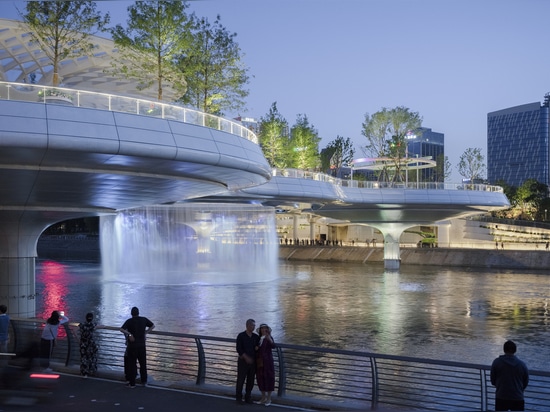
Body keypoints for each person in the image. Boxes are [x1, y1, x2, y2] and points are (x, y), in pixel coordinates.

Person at [120, 307, 155, 388]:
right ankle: (144, 381)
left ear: (131, 313)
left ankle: (132, 383)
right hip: (142, 345)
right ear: (138, 313)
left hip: (132, 346)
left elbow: (121, 329)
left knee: (132, 364)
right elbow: (153, 326)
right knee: (143, 364)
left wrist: (129, 334)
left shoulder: (129, 321)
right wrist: (145, 333)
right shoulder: (144, 319)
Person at [490, 340, 529, 411]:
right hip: (517, 397)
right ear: (515, 350)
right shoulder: (522, 365)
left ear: (504, 349)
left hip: (501, 395)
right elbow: (525, 382)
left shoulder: (497, 362)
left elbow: (493, 380)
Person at [235, 318, 260, 404]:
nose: (253, 327)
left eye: (254, 326)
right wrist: (246, 357)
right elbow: (239, 349)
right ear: (247, 325)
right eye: (252, 325)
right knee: (241, 380)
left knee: (251, 380)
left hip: (253, 362)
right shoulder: (241, 336)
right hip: (243, 362)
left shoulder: (256, 337)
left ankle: (248, 396)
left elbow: (259, 347)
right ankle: (238, 397)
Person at [255, 323, 276, 406]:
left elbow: (273, 346)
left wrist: (270, 340)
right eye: (262, 328)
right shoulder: (258, 339)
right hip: (260, 362)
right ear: (260, 330)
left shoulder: (269, 338)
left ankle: (269, 398)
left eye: (265, 328)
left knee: (269, 377)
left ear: (267, 330)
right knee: (260, 378)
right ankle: (263, 397)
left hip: (268, 362)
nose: (263, 330)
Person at [78, 312, 101, 377]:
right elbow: (99, 326)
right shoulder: (93, 325)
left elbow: (75, 329)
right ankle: (91, 371)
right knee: (92, 357)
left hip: (83, 343)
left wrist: (78, 339)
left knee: (83, 358)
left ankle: (84, 373)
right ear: (92, 318)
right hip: (91, 343)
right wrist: (104, 326)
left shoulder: (82, 324)